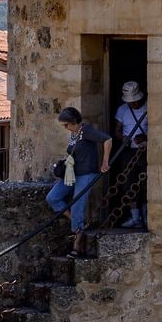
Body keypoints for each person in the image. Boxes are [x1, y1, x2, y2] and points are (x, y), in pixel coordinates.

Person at [46, 107, 111, 254]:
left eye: (66, 125)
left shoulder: (86, 131)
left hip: (86, 174)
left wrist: (105, 162)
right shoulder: (74, 134)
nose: (66, 128)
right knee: (53, 197)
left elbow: (107, 140)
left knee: (77, 204)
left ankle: (77, 242)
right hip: (72, 174)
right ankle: (78, 224)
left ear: (74, 122)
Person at [113, 81, 148, 229]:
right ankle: (135, 217)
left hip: (146, 150)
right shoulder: (122, 110)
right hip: (128, 151)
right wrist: (124, 139)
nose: (133, 104)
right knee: (128, 183)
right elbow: (117, 131)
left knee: (146, 184)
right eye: (130, 102)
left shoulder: (149, 108)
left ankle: (147, 216)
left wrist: (146, 137)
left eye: (135, 101)